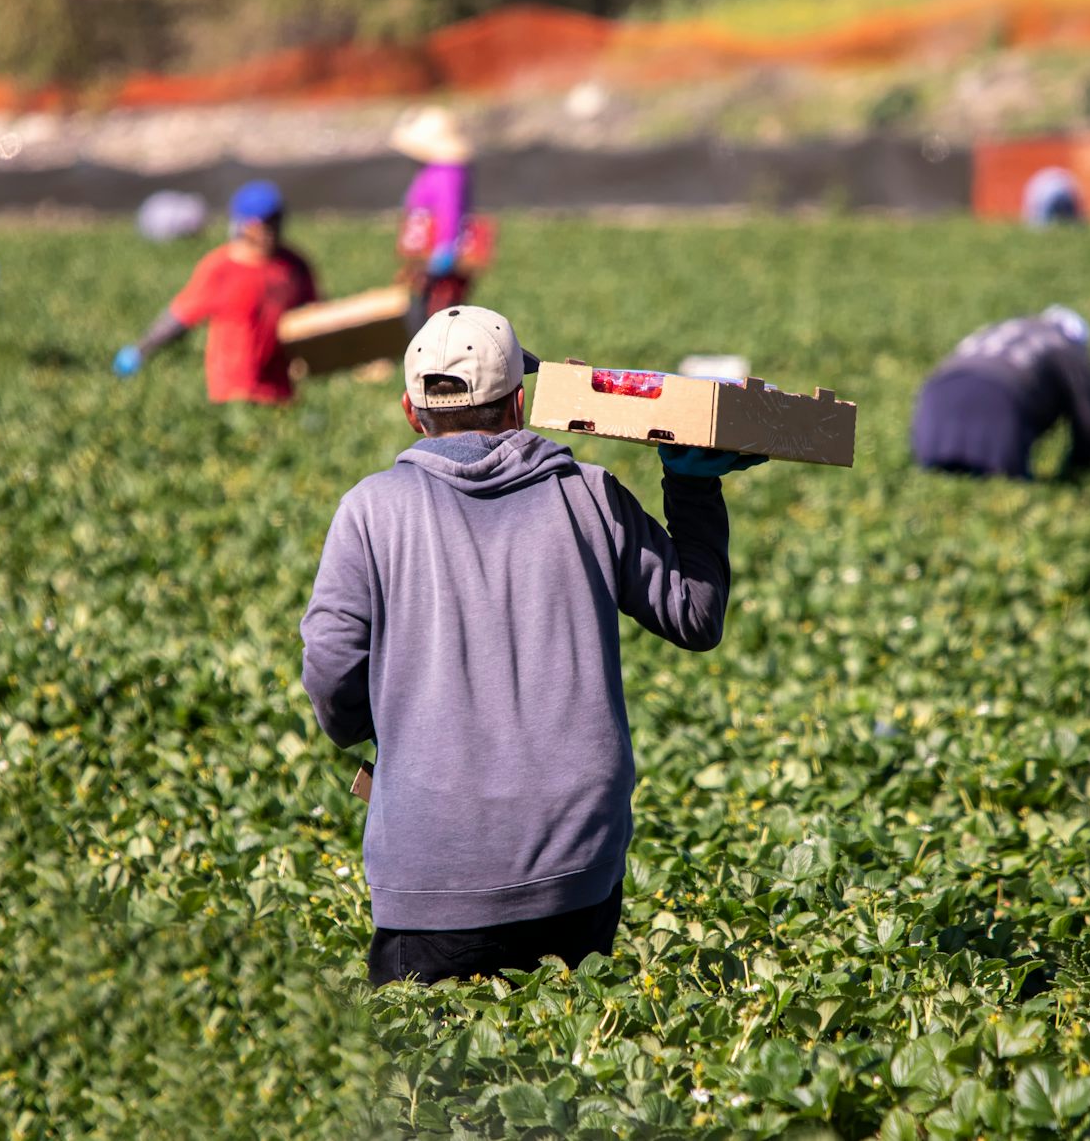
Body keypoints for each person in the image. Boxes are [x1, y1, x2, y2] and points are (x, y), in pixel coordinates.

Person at [299, 305, 764, 986]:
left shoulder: (371, 510)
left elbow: (331, 671)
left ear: (410, 411)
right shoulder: (590, 496)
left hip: (431, 874)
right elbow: (694, 615)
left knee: (430, 1079)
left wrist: (390, 733)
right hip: (575, 873)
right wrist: (693, 485)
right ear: (520, 402)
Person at [113, 181, 318, 403]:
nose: (270, 231)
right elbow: (179, 319)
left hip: (282, 392)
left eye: (275, 221)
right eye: (263, 224)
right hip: (234, 392)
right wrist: (140, 351)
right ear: (243, 225)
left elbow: (314, 316)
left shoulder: (294, 266)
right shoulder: (221, 269)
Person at [910, 306, 1090, 481]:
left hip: (936, 396)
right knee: (1003, 485)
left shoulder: (1000, 328)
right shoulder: (1067, 346)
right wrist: (1079, 471)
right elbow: (1087, 419)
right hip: (1000, 399)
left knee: (934, 478)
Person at [391, 107, 475, 336]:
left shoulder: (447, 173)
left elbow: (450, 211)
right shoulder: (433, 171)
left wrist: (444, 252)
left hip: (439, 263)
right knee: (421, 314)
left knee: (434, 320)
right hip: (426, 259)